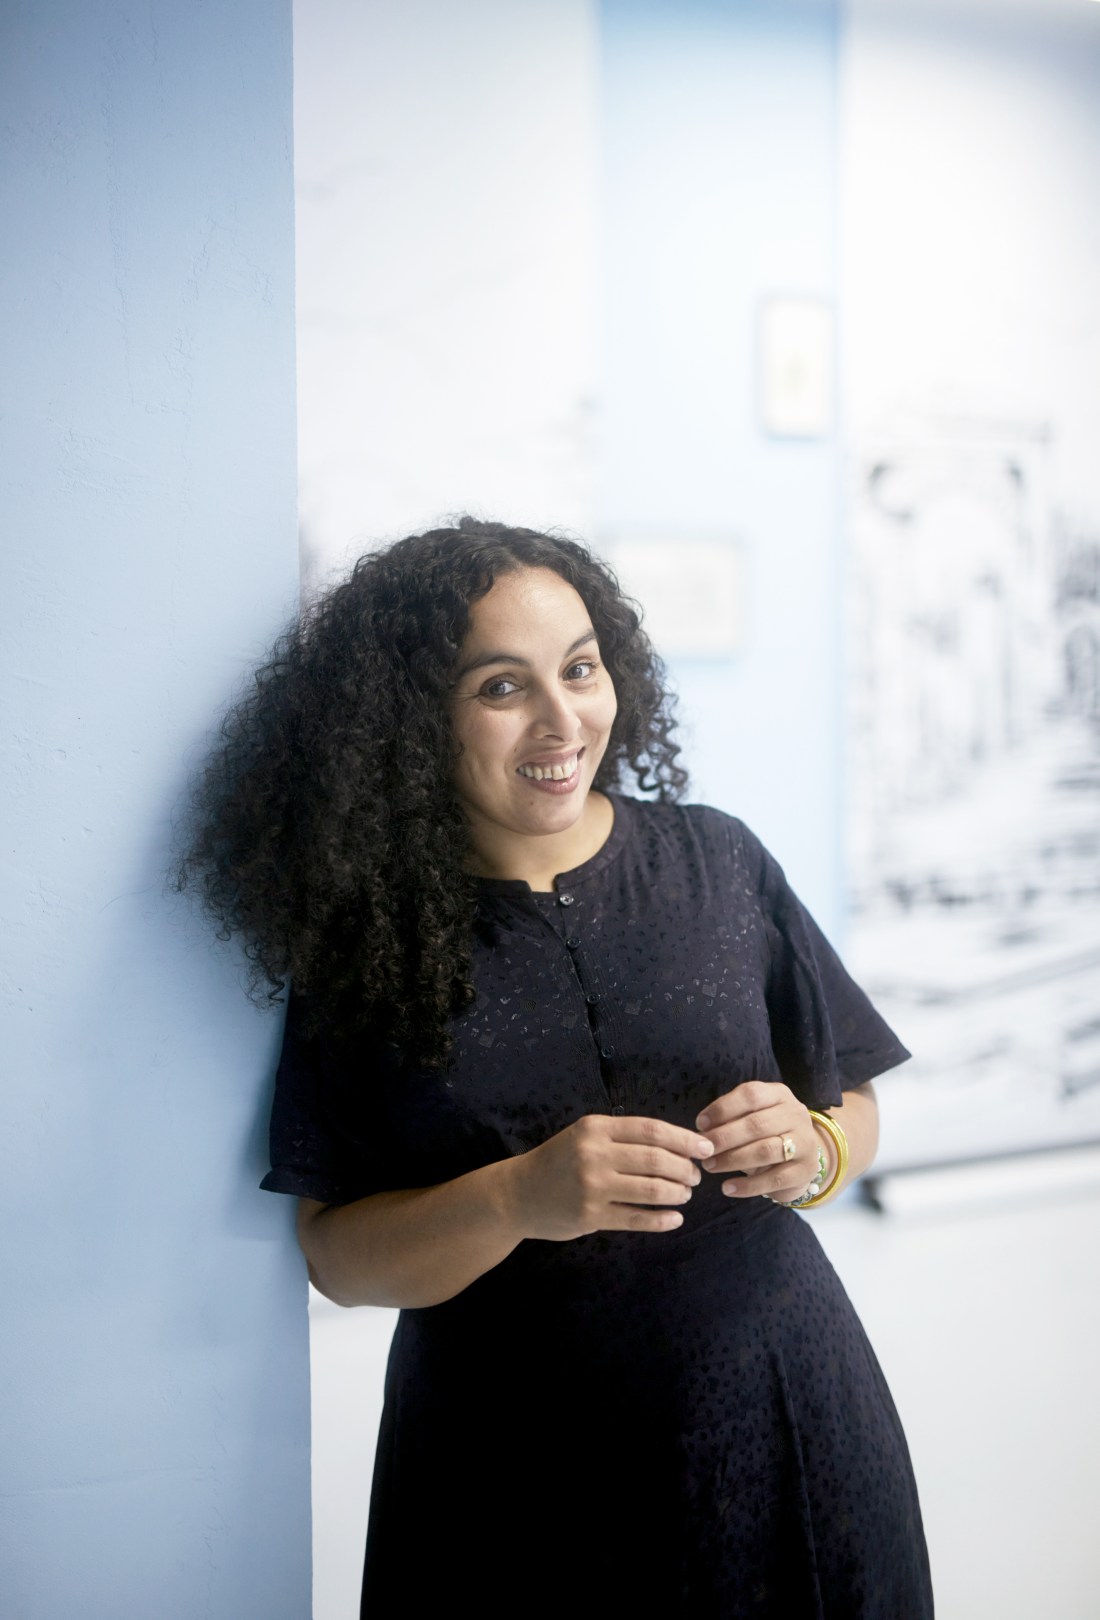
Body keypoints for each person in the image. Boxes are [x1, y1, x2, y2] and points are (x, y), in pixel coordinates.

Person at [180, 517, 933, 1617]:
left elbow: (850, 1101)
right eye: (501, 687)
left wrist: (814, 1151)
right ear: (414, 720)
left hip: (786, 1419)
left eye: (579, 669)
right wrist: (516, 1197)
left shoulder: (718, 862)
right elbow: (337, 1258)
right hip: (508, 1470)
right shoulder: (370, 942)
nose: (561, 719)